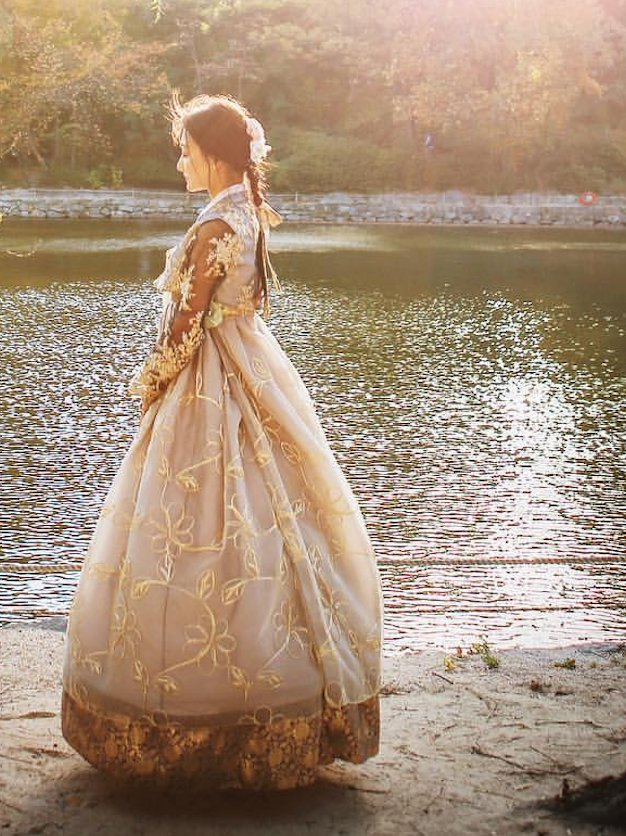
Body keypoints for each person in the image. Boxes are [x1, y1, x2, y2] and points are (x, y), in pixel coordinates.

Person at [60, 92, 384, 791]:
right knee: (270, 522)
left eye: (185, 149)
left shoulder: (215, 223)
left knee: (195, 527)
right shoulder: (246, 209)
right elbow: (244, 306)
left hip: (213, 376)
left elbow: (186, 323)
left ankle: (196, 706)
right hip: (253, 362)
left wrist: (153, 383)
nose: (179, 161)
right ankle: (271, 688)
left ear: (210, 153)